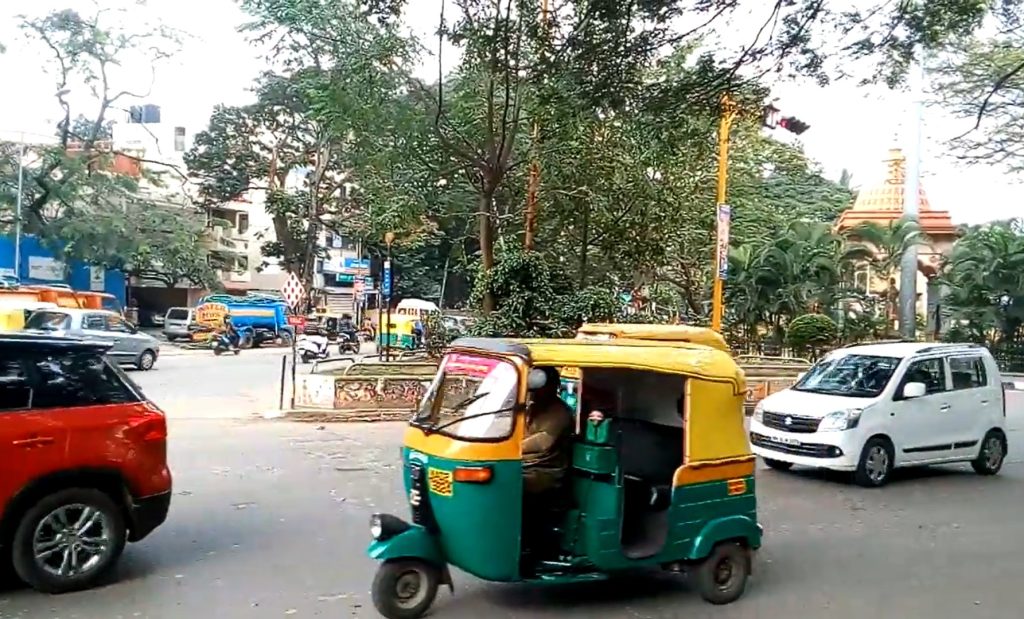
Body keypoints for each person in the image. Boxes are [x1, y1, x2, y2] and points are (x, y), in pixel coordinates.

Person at [522, 367, 574, 494]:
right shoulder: (531, 407)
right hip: (523, 465)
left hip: (545, 470)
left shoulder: (560, 411)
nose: (534, 393)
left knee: (506, 482)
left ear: (552, 387)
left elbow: (543, 442)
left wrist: (510, 447)